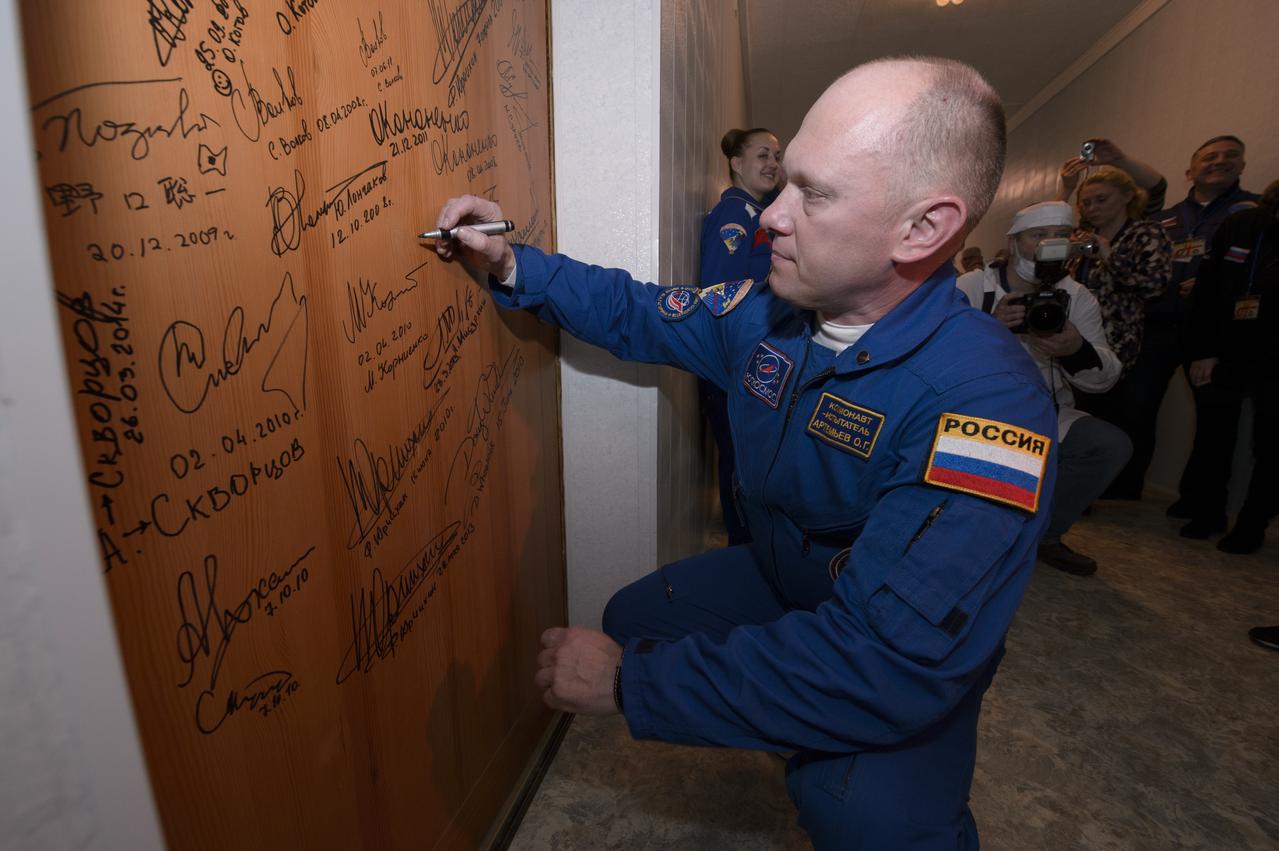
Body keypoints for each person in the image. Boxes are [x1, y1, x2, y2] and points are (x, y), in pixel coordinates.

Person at [433, 56, 1057, 849]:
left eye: (816, 194)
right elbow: (640, 311)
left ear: (923, 227)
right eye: (784, 181)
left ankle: (820, 736)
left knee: (858, 810)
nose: (769, 217)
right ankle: (788, 702)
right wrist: (511, 260)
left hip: (891, 645)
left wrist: (633, 685)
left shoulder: (985, 404)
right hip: (782, 573)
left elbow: (888, 661)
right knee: (635, 616)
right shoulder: (767, 312)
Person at [958, 201, 1128, 576]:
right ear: (1015, 242)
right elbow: (936, 350)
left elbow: (1104, 379)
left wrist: (1075, 350)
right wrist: (990, 329)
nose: (1050, 245)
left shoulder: (1078, 297)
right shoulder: (973, 286)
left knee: (1107, 444)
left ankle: (1045, 534)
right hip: (973, 407)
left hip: (1043, 406)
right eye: (1038, 236)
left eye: (1061, 237)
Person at [1131, 137, 1259, 503]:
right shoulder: (1164, 219)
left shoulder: (1251, 212)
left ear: (1242, 166)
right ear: (1191, 170)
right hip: (1159, 323)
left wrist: (1211, 287)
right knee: (1138, 406)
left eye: (1230, 156)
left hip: (1216, 331)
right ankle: (1126, 487)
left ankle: (1201, 503)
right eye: (1210, 156)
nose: (1220, 162)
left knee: (1216, 417)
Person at [1178, 178, 1279, 550]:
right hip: (1225, 346)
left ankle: (1253, 523)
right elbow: (1207, 289)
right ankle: (1209, 511)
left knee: (1271, 447)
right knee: (1213, 435)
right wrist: (1203, 350)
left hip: (1274, 360)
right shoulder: (1244, 224)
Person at [699, 127, 784, 545]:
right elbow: (720, 295)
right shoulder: (735, 216)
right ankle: (742, 549)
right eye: (762, 155)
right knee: (739, 461)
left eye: (776, 156)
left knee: (748, 457)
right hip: (733, 360)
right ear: (736, 163)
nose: (773, 164)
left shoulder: (758, 215)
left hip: (750, 357)